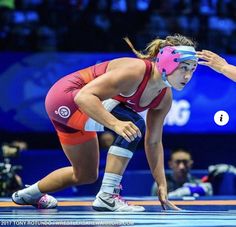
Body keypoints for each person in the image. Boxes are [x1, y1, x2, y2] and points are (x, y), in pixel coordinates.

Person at [12, 33, 198, 212]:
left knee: (84, 174)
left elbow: (153, 142)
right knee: (132, 124)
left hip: (80, 113)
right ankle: (107, 196)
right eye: (184, 68)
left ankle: (29, 194)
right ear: (166, 61)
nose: (188, 76)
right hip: (65, 98)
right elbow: (84, 96)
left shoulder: (164, 98)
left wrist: (162, 184)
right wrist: (116, 124)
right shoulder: (136, 71)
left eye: (192, 69)